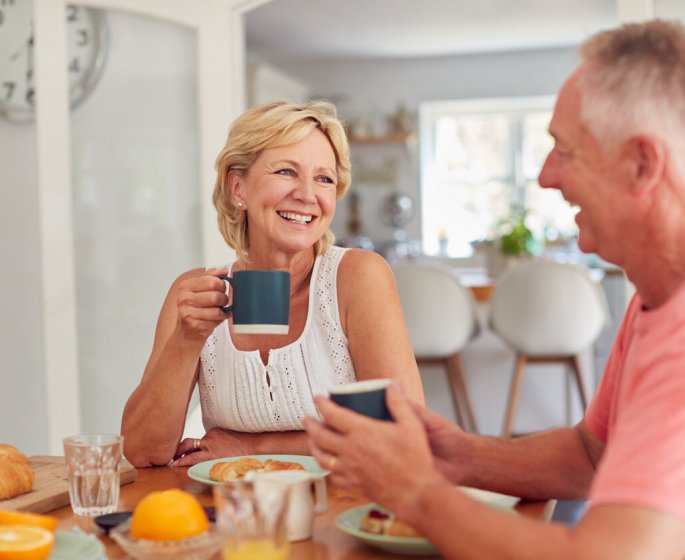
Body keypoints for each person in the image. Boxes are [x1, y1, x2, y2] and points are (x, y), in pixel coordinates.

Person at [305, 19, 685, 559]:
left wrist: (415, 490)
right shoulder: (655, 296)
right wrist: (454, 455)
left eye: (565, 151)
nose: (546, 177)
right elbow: (591, 455)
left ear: (642, 164)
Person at [121, 100, 424, 468]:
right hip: (233, 511)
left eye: (324, 178)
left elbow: (404, 432)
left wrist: (254, 447)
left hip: (342, 507)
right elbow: (141, 451)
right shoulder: (196, 292)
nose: (307, 194)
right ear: (238, 188)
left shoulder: (358, 277)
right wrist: (187, 340)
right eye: (286, 171)